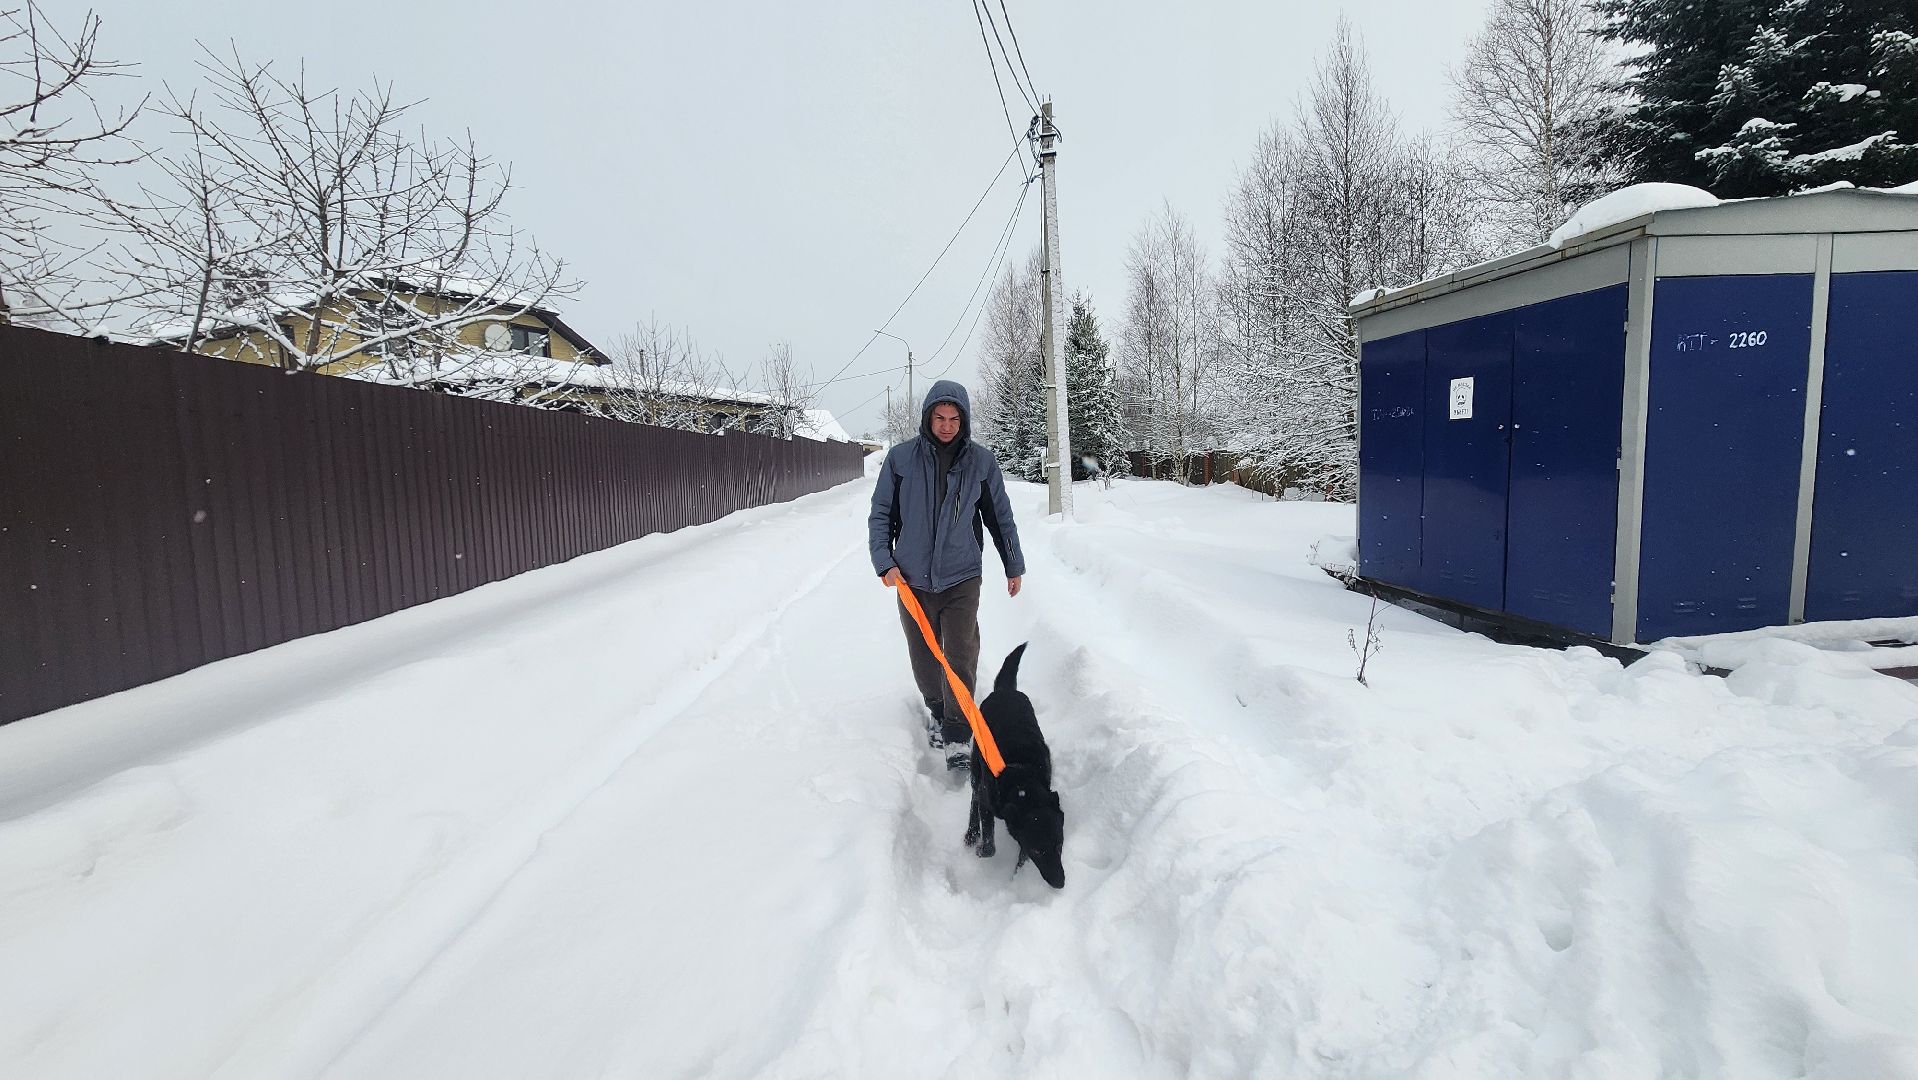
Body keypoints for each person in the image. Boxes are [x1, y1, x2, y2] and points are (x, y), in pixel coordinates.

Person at [868, 380, 1025, 769]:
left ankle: (958, 732)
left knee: (960, 652)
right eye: (939, 417)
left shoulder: (981, 463)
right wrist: (885, 563)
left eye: (955, 418)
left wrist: (1013, 564)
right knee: (923, 656)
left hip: (961, 575)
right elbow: (881, 515)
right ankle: (937, 710)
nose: (947, 425)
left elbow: (999, 518)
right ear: (927, 417)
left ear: (965, 421)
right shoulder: (900, 460)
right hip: (911, 578)